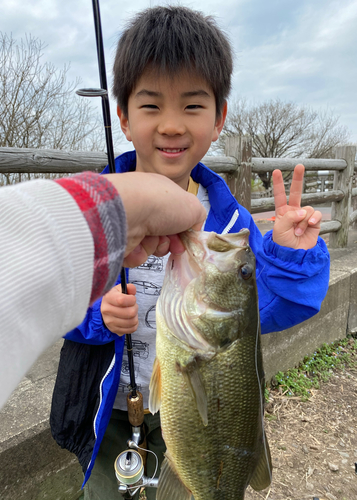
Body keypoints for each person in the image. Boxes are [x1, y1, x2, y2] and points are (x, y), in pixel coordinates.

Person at [50, 6, 330, 500]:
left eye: (194, 106)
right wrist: (97, 314)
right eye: (152, 105)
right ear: (124, 116)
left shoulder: (230, 227)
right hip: (112, 411)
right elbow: (51, 300)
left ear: (220, 118)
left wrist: (288, 256)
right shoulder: (94, 209)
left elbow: (271, 307)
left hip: (207, 413)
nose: (172, 125)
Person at [0, 170, 206, 435]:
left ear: (217, 126)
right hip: (104, 411)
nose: (172, 127)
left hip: (190, 415)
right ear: (124, 126)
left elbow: (257, 312)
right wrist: (98, 314)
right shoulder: (114, 195)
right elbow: (56, 314)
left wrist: (271, 255)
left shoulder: (231, 216)